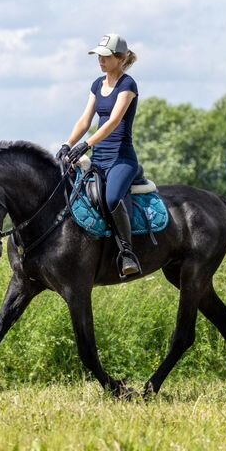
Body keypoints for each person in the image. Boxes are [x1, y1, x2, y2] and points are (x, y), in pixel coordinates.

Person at [56, 33, 141, 277]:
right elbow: (85, 120)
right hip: (99, 157)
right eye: (98, 56)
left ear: (119, 58)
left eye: (105, 56)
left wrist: (87, 144)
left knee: (112, 198)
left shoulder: (128, 84)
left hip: (121, 158)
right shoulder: (97, 84)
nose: (100, 61)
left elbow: (114, 121)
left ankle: (127, 253)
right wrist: (68, 143)